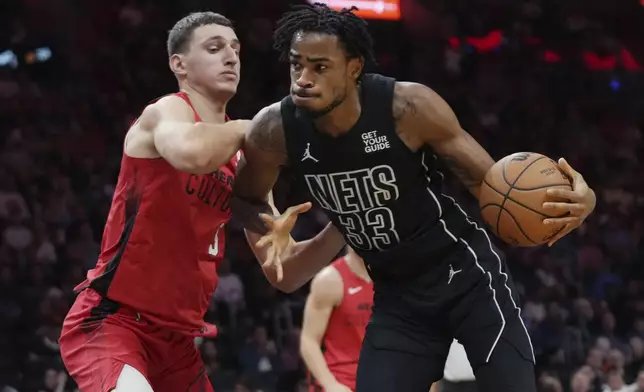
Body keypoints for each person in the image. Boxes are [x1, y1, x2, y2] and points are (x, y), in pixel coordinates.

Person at [231, 3, 597, 392]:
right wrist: (265, 225)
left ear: (354, 69)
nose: (303, 78)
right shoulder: (274, 130)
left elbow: (494, 188)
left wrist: (582, 202)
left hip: (465, 277)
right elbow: (245, 197)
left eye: (320, 67)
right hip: (396, 296)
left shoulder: (407, 107)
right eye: (296, 65)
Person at [58, 12, 249, 392]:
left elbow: (286, 272)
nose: (230, 57)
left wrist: (342, 228)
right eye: (215, 48)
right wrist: (253, 127)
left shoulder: (239, 156)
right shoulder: (167, 111)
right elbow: (190, 153)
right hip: (114, 319)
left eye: (235, 48)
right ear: (178, 64)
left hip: (177, 343)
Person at [300, 247, 373, 392]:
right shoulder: (330, 280)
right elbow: (309, 340)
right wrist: (330, 385)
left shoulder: (395, 281)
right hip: (341, 381)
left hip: (381, 379)